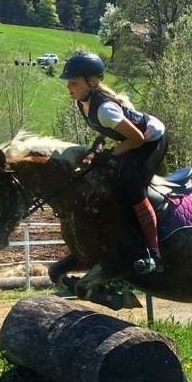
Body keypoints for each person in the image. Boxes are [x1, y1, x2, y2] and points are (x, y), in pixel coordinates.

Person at [60, 51, 169, 274]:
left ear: (91, 83)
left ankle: (154, 253)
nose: (69, 87)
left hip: (152, 140)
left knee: (131, 189)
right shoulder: (83, 103)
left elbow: (137, 139)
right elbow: (106, 129)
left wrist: (110, 154)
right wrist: (98, 145)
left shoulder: (104, 109)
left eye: (74, 82)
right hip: (136, 139)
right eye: (68, 82)